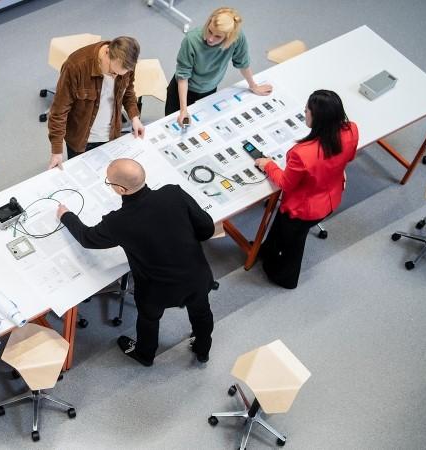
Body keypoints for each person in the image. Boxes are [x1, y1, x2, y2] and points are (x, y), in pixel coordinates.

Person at [56, 159, 215, 366]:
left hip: (157, 290)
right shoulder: (173, 193)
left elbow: (87, 238)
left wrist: (66, 215)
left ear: (121, 189)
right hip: (197, 277)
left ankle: (145, 354)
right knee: (202, 312)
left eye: (109, 182)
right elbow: (207, 229)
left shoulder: (118, 221)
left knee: (149, 320)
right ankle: (203, 350)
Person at [254, 89, 359, 288]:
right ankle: (266, 250)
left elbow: (285, 183)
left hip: (303, 209)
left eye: (307, 111)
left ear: (318, 119)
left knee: (292, 242)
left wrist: (268, 164)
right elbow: (349, 157)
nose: (304, 112)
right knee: (280, 229)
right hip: (331, 196)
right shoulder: (351, 129)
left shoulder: (302, 153)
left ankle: (285, 278)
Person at [47, 36, 146, 169]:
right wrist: (57, 151)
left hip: (111, 135)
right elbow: (59, 111)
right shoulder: (75, 66)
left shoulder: (126, 65)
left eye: (120, 74)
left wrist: (134, 118)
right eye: (112, 72)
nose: (115, 76)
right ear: (107, 53)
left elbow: (128, 92)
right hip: (81, 140)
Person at [165, 6, 272, 126]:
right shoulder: (191, 40)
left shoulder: (237, 38)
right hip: (183, 91)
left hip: (209, 90)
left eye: (218, 36)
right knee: (172, 125)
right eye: (210, 31)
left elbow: (243, 63)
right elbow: (183, 76)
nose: (210, 39)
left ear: (229, 37)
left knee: (201, 126)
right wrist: (183, 109)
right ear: (209, 22)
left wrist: (253, 86)